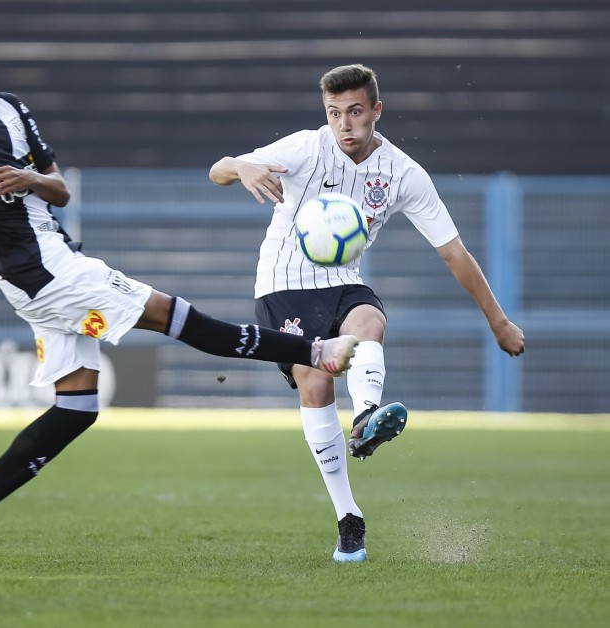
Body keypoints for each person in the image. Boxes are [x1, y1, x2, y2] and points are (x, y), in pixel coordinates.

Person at [0, 26, 360, 566]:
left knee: (76, 408)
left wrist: (29, 179)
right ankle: (315, 352)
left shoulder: (9, 110)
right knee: (174, 316)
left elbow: (59, 188)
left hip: (55, 267)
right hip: (49, 277)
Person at [209, 63, 525, 563]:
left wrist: (498, 320)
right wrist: (241, 165)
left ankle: (366, 418)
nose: (345, 125)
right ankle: (348, 518)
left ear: (377, 111)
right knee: (317, 384)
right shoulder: (304, 149)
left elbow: (454, 252)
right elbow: (218, 170)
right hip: (283, 284)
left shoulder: (403, 173)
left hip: (342, 282)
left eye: (355, 112)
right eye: (334, 113)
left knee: (369, 322)